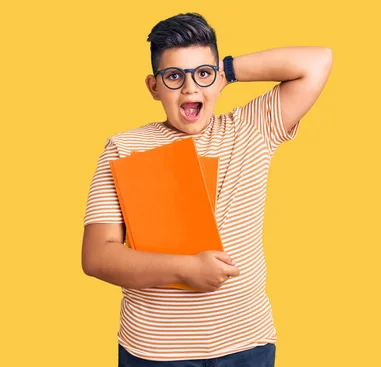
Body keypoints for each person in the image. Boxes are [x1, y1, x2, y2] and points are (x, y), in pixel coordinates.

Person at [81, 12, 332, 366]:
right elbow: (97, 257)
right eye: (174, 76)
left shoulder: (252, 128)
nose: (190, 88)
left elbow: (317, 61)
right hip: (156, 351)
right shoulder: (125, 147)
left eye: (202, 74)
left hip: (246, 344)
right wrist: (186, 269)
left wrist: (225, 71)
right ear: (154, 87)